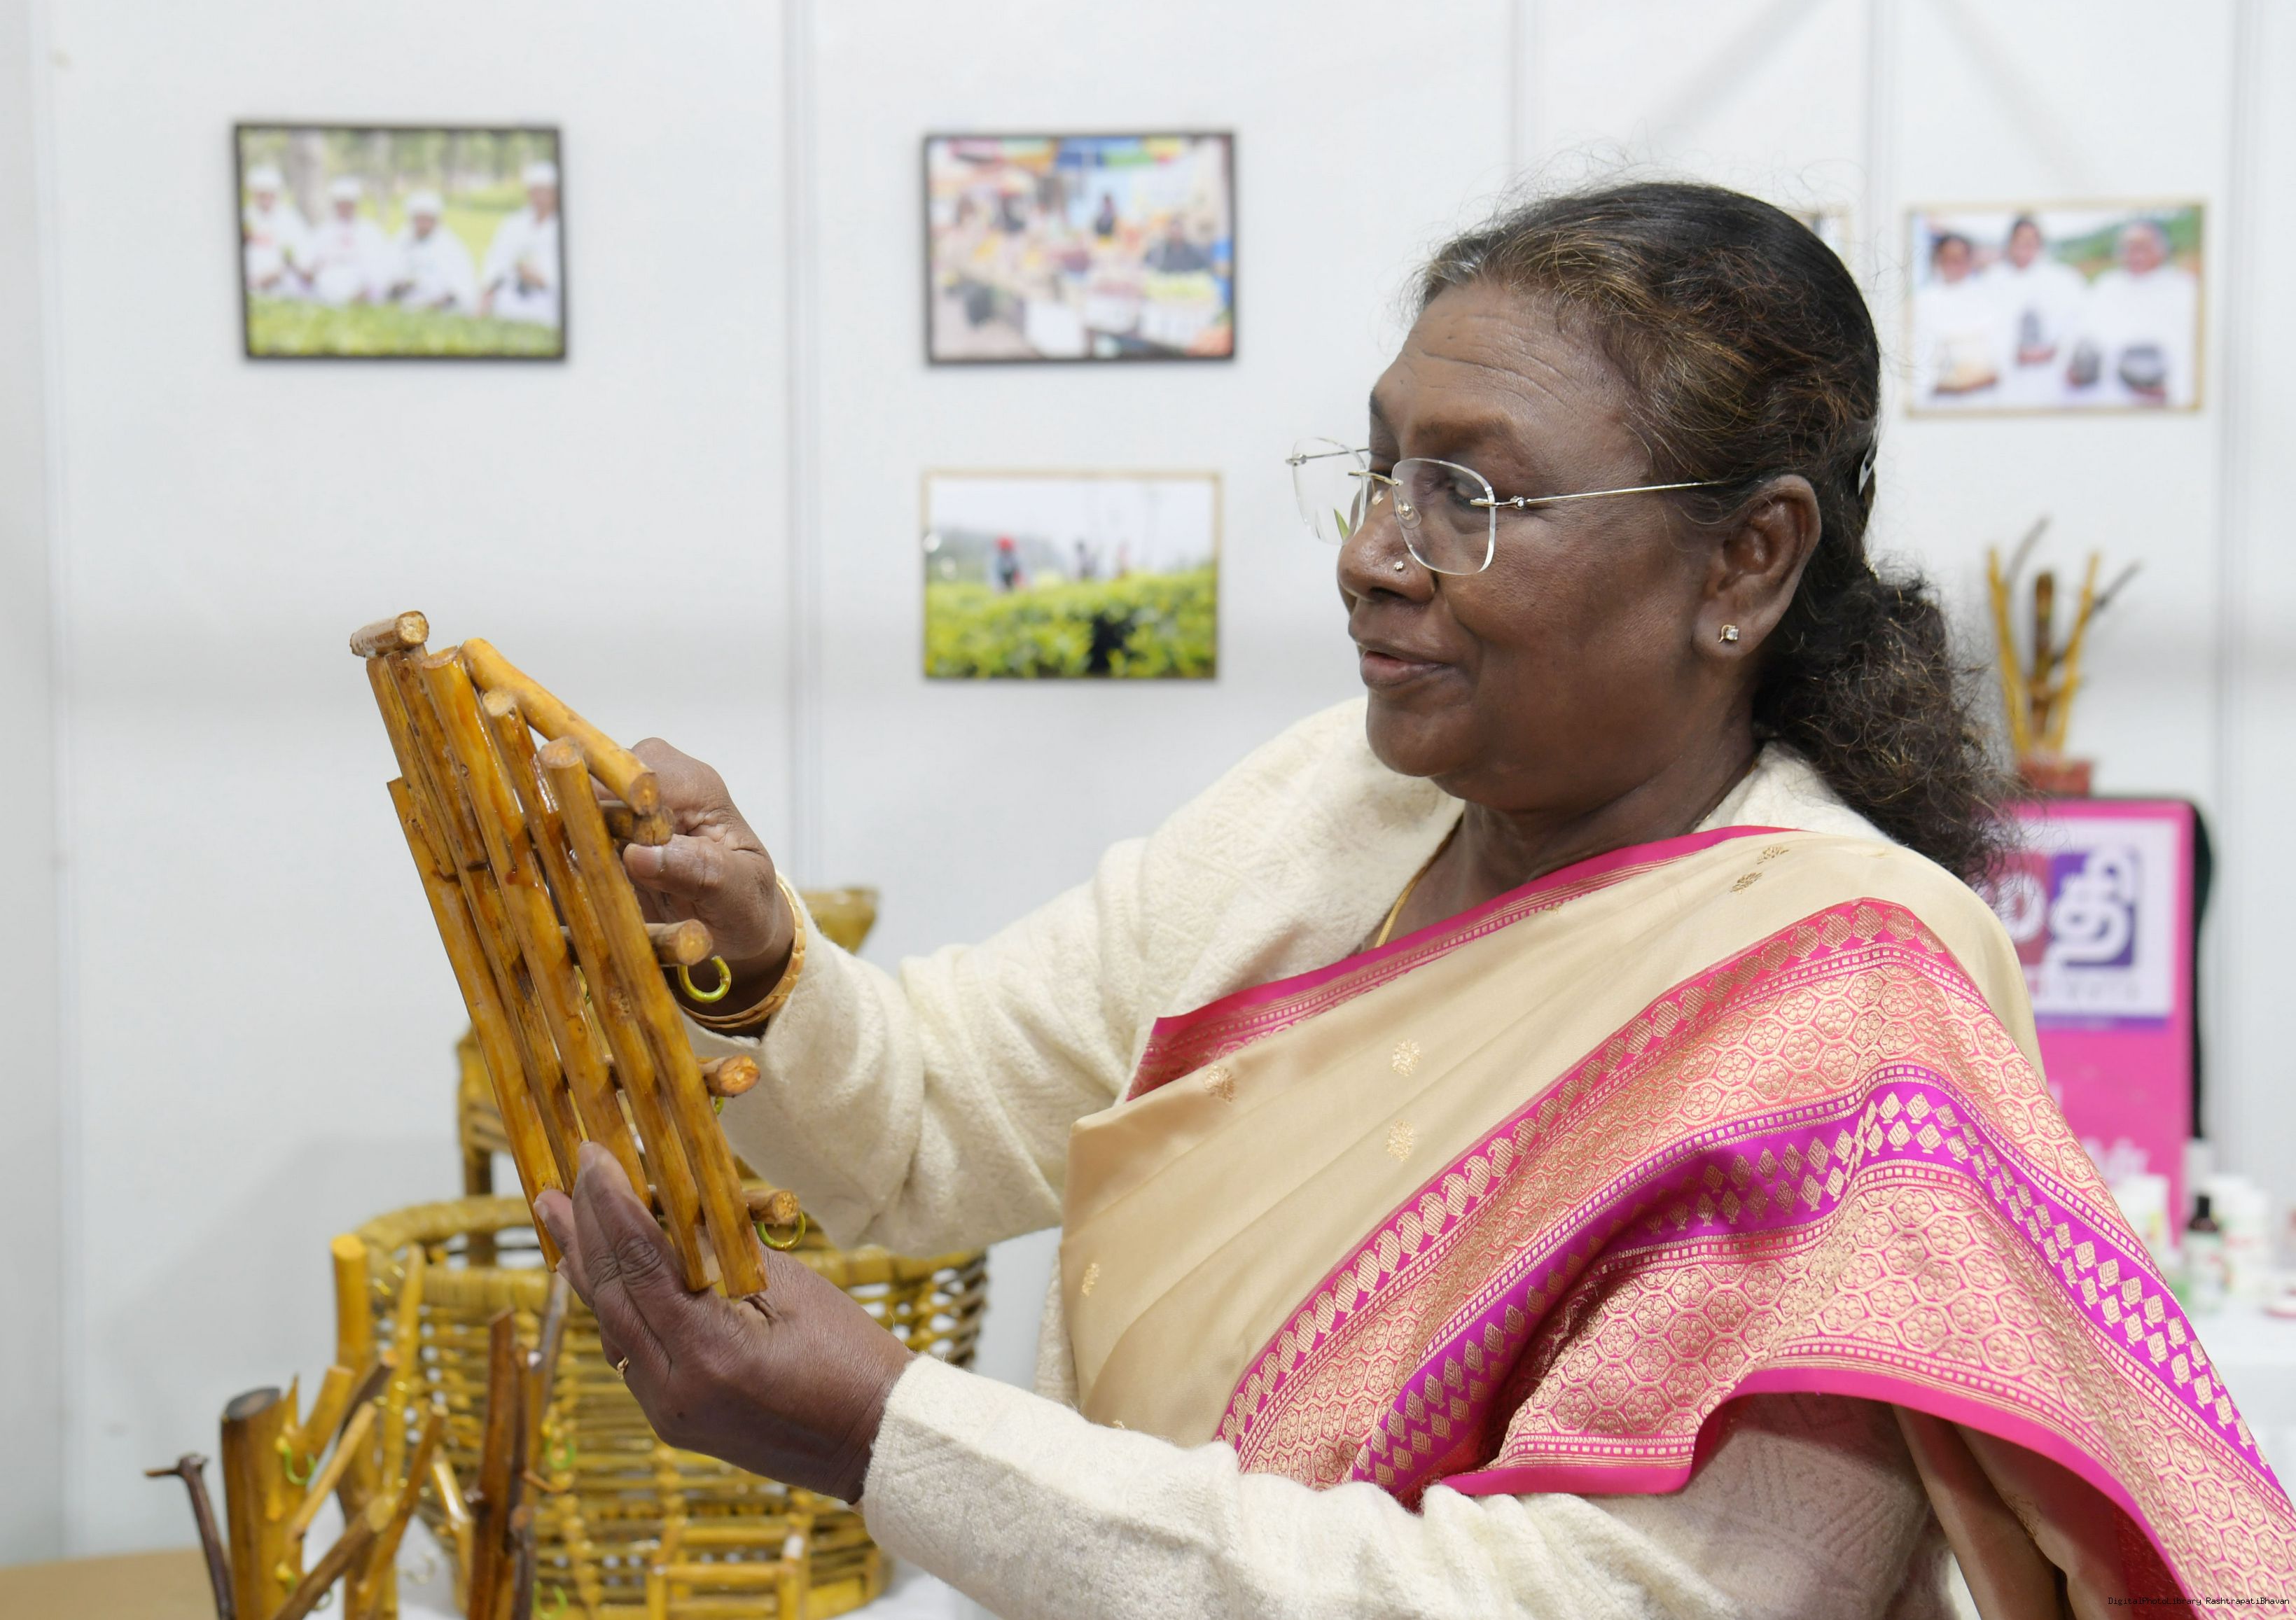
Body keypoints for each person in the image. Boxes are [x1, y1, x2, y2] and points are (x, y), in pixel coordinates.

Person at [537, 183, 2292, 1616]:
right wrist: (750, 955)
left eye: (1474, 495)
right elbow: (930, 1119)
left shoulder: (1846, 1004)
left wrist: (896, 1437)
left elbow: (1613, 1599)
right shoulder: (1334, 804)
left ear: (1746, 559)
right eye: (1382, 470)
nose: (1373, 553)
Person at [2073, 218, 2199, 407]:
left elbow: (2195, 351)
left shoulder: (2185, 288)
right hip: (2108, 400)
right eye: (2128, 248)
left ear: (2162, 250)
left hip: (2161, 402)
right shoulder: (2106, 285)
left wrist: (2172, 389)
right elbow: (2085, 335)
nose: (2135, 254)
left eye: (2143, 247)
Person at [1983, 215, 2087, 407]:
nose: (2025, 247)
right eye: (2020, 241)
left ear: (2040, 244)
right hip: (2010, 378)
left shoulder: (2063, 279)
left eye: (2031, 241)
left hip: (2052, 376)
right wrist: (2012, 352)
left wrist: (2056, 350)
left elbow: (2077, 322)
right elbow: (1986, 328)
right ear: (2010, 243)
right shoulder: (1993, 280)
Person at [1908, 230, 2000, 404]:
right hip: (1940, 399)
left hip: (1982, 398)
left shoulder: (1988, 298)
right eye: (1948, 258)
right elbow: (1918, 356)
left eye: (1959, 259)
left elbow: (1999, 353)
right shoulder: (1923, 302)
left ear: (1969, 260)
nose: (1954, 265)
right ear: (1938, 260)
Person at [479, 160, 562, 327]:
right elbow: (496, 260)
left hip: (547, 301)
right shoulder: (513, 223)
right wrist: (487, 292)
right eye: (535, 191)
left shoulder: (564, 225)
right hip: (510, 297)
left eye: (545, 192)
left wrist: (542, 279)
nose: (539, 197)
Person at [387, 189, 476, 314]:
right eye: (419, 220)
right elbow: (388, 282)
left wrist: (435, 304)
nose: (423, 225)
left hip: (442, 311)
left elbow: (460, 290)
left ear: (436, 221)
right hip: (405, 308)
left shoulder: (451, 247)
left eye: (427, 220)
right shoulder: (401, 242)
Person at [303, 175, 389, 306]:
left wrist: (367, 290)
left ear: (355, 205)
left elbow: (379, 265)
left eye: (348, 204)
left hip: (361, 287)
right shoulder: (323, 230)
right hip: (327, 286)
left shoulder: (369, 230)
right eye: (340, 204)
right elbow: (310, 262)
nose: (344, 208)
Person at [240, 163, 309, 298]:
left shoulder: (290, 218)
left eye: (270, 194)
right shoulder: (246, 216)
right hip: (251, 282)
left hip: (283, 284)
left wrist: (280, 271)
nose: (266, 199)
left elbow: (299, 256)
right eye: (261, 194)